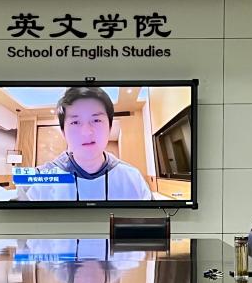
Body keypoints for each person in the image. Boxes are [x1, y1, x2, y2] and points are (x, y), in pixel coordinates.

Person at [18, 86, 153, 201]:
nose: (87, 132)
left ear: (110, 127)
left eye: (96, 120)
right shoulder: (40, 180)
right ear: (64, 132)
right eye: (75, 122)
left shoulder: (133, 179)